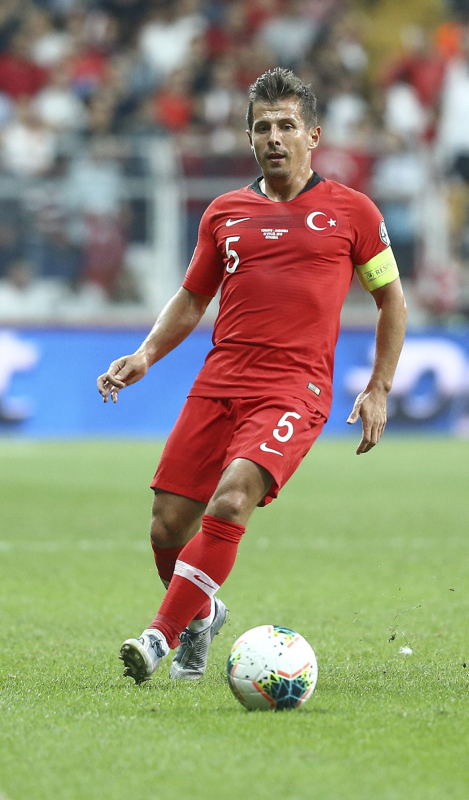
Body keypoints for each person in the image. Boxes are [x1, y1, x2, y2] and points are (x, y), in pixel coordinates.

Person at [97, 68, 407, 685]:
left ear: (313, 135)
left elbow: (391, 300)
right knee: (166, 525)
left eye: (287, 126)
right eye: (263, 127)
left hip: (295, 389)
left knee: (234, 496)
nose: (274, 138)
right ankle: (203, 615)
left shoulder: (353, 212)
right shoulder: (224, 212)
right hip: (220, 382)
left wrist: (378, 386)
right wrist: (146, 354)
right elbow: (192, 298)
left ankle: (159, 637)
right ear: (249, 137)